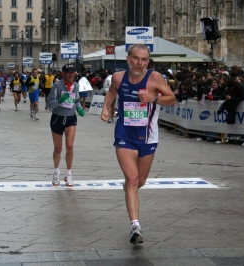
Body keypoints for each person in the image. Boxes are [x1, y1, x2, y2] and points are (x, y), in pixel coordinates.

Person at [100, 44, 176, 245]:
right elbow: (112, 93)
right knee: (132, 179)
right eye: (135, 58)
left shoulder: (155, 78)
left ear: (147, 62)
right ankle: (135, 226)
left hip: (148, 136)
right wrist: (106, 108)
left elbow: (172, 99)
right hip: (125, 133)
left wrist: (154, 98)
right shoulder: (118, 77)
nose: (139, 63)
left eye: (143, 60)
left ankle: (129, 190)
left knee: (139, 181)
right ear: (128, 59)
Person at [46, 64, 85, 187]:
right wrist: (59, 101)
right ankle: (56, 171)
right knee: (58, 148)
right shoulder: (57, 86)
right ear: (63, 73)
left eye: (73, 72)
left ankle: (69, 174)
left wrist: (79, 108)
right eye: (68, 72)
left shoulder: (76, 85)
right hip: (57, 118)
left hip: (70, 117)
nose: (70, 74)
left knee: (70, 145)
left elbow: (76, 100)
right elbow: (48, 104)